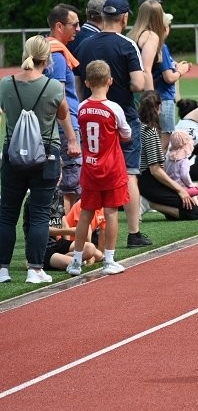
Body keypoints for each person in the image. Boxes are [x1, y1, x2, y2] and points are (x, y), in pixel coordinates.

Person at [0, 35, 80, 284]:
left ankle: (2, 269)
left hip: (13, 154)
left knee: (6, 214)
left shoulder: (6, 83)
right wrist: (73, 141)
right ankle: (35, 269)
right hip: (45, 155)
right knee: (40, 214)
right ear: (46, 59)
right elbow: (63, 114)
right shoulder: (53, 87)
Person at [73, 0, 149, 248]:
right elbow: (138, 83)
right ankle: (134, 232)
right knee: (128, 173)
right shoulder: (127, 45)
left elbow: (77, 83)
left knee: (94, 171)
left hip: (91, 114)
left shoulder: (84, 45)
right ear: (125, 17)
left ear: (102, 16)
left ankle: (91, 233)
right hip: (122, 114)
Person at [67, 59, 131, 276]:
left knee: (85, 213)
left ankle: (75, 261)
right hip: (112, 169)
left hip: (90, 168)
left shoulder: (82, 107)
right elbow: (126, 134)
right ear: (110, 81)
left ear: (86, 82)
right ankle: (109, 260)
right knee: (111, 213)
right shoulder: (114, 108)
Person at [137, 90, 198, 220]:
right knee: (194, 212)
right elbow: (155, 170)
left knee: (181, 208)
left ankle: (152, 202)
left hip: (143, 179)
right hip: (148, 181)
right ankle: (150, 203)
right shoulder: (150, 131)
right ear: (158, 107)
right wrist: (180, 189)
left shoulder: (139, 127)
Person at [45, 3, 83, 214]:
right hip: (64, 126)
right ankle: (65, 234)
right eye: (74, 24)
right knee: (70, 186)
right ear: (59, 26)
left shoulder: (44, 48)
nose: (78, 29)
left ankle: (56, 230)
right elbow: (59, 98)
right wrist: (71, 137)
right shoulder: (58, 56)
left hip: (52, 126)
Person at [22, 186, 102, 273]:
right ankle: (35, 261)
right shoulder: (34, 199)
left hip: (57, 242)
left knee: (90, 249)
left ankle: (63, 257)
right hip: (41, 248)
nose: (58, 176)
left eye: (59, 173)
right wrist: (71, 231)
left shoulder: (58, 193)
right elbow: (42, 229)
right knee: (72, 263)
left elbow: (62, 219)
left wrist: (66, 244)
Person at [154, 12, 192, 151]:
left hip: (155, 97)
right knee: (165, 141)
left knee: (155, 140)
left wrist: (175, 66)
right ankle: (159, 171)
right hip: (164, 97)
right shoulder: (161, 46)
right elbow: (169, 77)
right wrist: (182, 70)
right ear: (164, 28)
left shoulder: (151, 43)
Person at [164, 130, 198, 218]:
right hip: (182, 189)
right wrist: (191, 184)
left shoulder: (168, 156)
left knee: (193, 192)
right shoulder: (183, 159)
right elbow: (184, 175)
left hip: (172, 188)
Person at [129, 0, 166, 93]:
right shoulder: (150, 36)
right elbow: (146, 70)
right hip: (141, 93)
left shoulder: (132, 34)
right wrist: (151, 100)